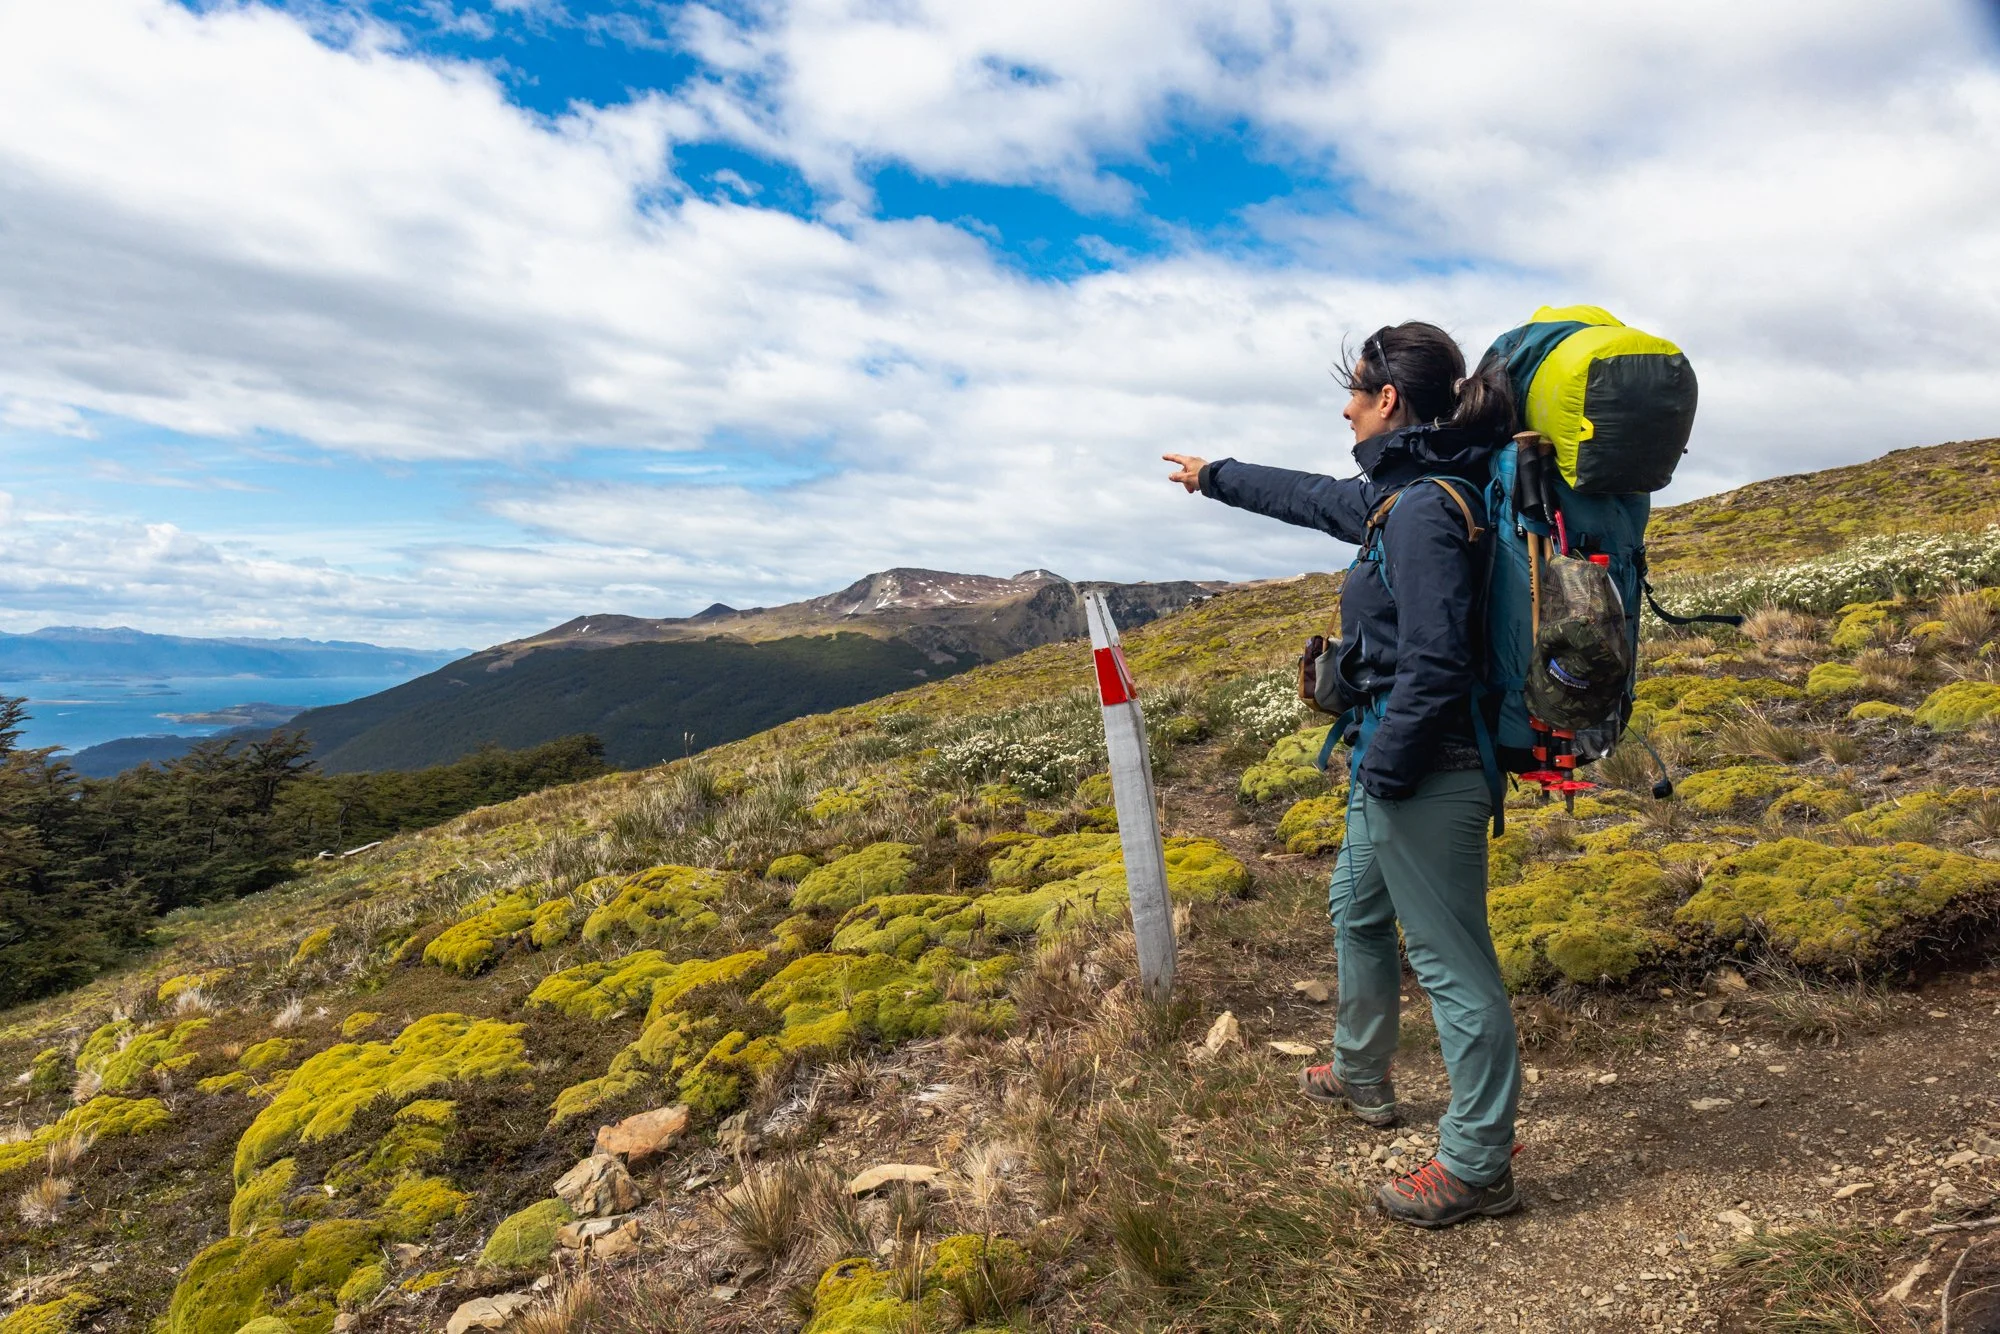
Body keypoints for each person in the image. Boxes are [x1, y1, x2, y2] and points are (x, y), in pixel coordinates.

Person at [1163, 321, 1524, 1229]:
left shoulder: (1424, 512)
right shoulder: (1401, 498)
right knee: (1355, 908)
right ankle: (1362, 1072)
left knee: (1451, 962)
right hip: (1391, 758)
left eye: (1354, 392)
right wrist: (1215, 476)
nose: (1346, 409)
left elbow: (1437, 662)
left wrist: (1390, 769)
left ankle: (1478, 1164)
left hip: (1428, 766)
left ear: (1388, 399)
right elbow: (1309, 495)